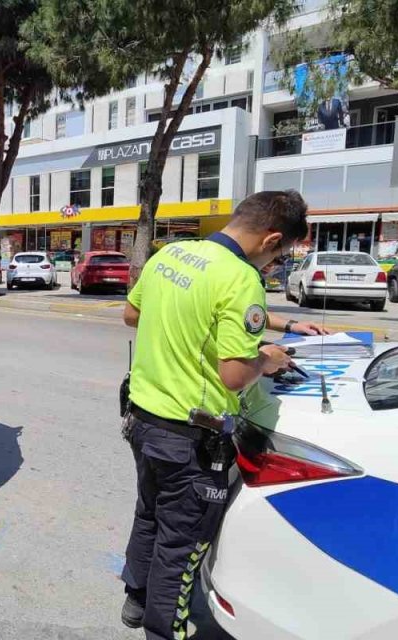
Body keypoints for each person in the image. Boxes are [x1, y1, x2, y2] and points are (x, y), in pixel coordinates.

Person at [118, 190, 309, 640]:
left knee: (149, 511)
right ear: (271, 239)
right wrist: (269, 360)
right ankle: (164, 632)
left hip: (143, 420)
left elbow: (132, 313)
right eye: (279, 256)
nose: (273, 266)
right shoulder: (242, 278)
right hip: (191, 436)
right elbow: (234, 376)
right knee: (181, 544)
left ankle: (136, 598)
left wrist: (271, 327)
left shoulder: (173, 254)